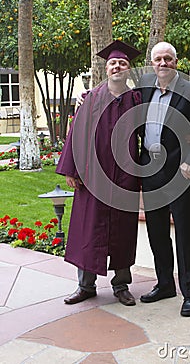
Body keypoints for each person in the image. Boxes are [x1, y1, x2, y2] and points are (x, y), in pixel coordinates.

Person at [56, 40, 141, 307]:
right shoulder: (91, 98)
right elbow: (76, 133)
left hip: (125, 177)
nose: (117, 66)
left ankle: (121, 285)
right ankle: (85, 285)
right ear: (106, 69)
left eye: (122, 63)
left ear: (128, 69)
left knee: (123, 231)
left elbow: (147, 135)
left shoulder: (136, 99)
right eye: (113, 63)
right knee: (88, 230)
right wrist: (71, 168)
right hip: (93, 176)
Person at [138, 42, 190, 317]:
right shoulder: (145, 87)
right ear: (152, 63)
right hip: (150, 172)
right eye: (158, 59)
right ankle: (164, 285)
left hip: (179, 173)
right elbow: (118, 102)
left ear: (176, 62)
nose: (163, 63)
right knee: (156, 231)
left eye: (168, 59)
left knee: (184, 234)